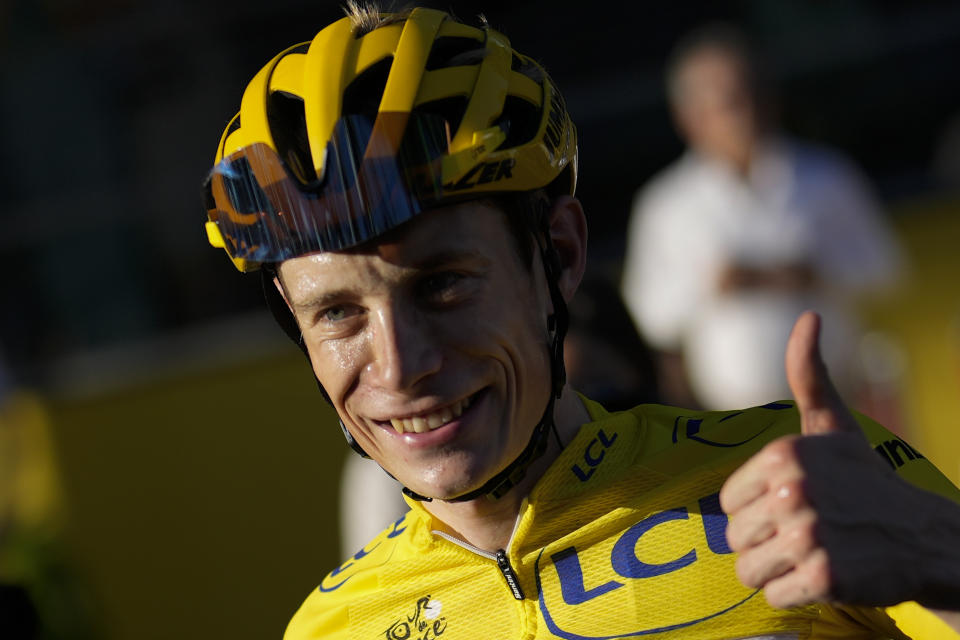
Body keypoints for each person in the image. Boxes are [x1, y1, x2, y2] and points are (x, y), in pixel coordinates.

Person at [201, 4, 960, 638]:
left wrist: (939, 557)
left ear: (559, 255)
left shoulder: (798, 490)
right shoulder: (332, 629)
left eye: (441, 285)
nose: (401, 368)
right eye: (336, 313)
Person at [620, 24, 902, 411]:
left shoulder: (827, 175)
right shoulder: (666, 206)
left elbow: (885, 270)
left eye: (756, 92)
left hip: (838, 402)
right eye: (731, 101)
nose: (749, 111)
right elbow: (647, 317)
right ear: (691, 116)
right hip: (730, 420)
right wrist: (713, 286)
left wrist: (815, 273)